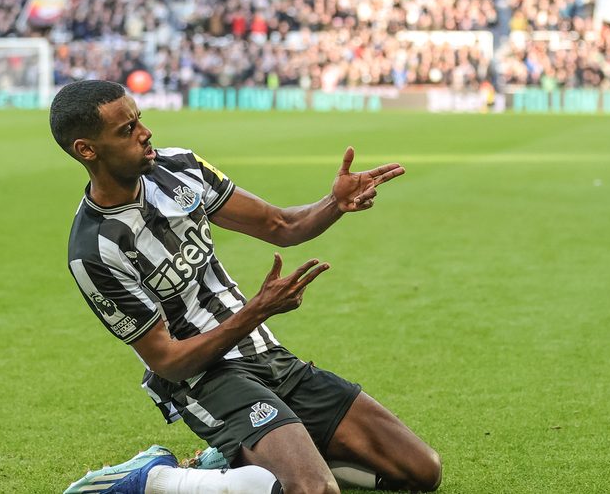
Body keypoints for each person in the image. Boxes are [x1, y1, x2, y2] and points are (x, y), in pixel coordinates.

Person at [50, 80, 441, 494]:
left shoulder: (180, 166)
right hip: (204, 379)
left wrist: (334, 203)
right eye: (126, 130)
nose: (145, 133)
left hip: (262, 351)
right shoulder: (93, 251)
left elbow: (281, 225)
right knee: (315, 491)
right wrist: (257, 309)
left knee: (422, 470)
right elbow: (168, 362)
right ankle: (156, 479)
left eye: (139, 120)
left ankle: (237, 460)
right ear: (86, 150)